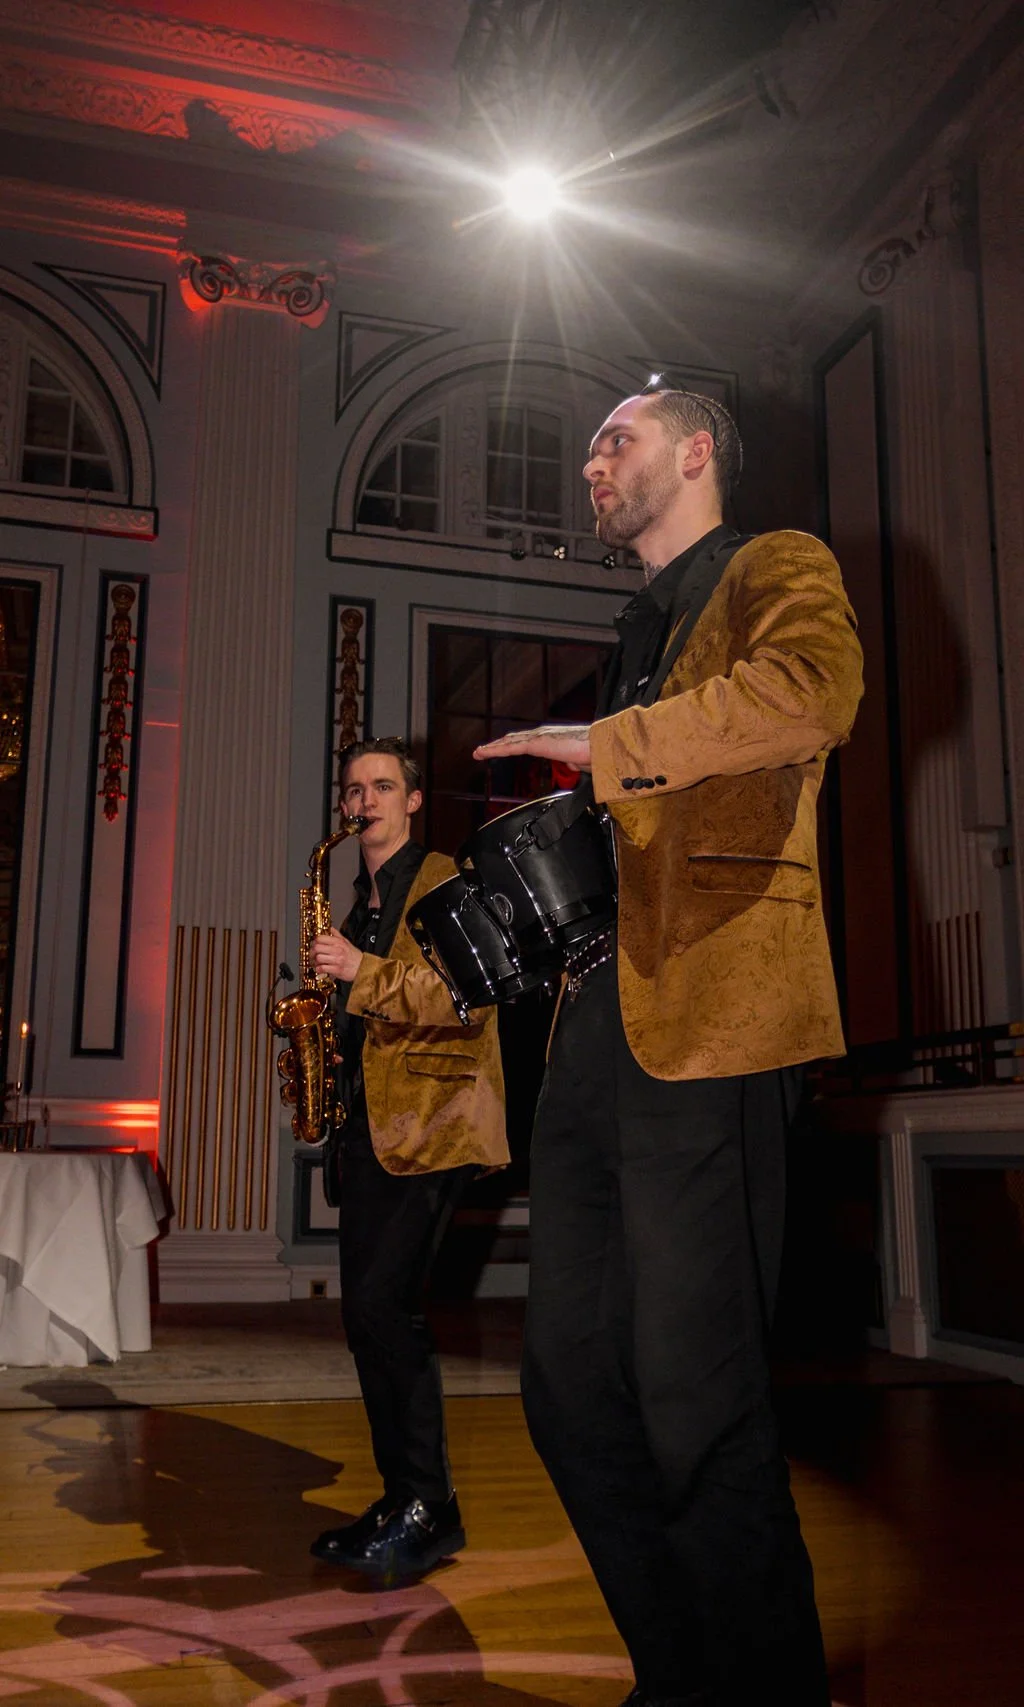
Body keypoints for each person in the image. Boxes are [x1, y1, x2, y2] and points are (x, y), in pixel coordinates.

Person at [474, 387, 864, 1707]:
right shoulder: (637, 624)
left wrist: (611, 747)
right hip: (597, 1035)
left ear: (695, 451)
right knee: (570, 1387)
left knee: (701, 1407)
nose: (593, 460)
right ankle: (683, 1671)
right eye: (589, 444)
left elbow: (814, 693)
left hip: (717, 1025)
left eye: (617, 438)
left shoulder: (776, 565)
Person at [307, 736, 508, 1582]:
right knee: (367, 1317)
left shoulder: (441, 880)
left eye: (384, 785)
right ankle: (403, 1500)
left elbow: (469, 991)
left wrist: (360, 970)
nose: (367, 800)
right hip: (375, 1127)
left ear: (414, 801)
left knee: (389, 1311)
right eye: (356, 789)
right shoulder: (363, 896)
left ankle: (428, 1507)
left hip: (430, 1122)